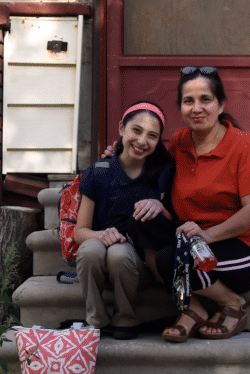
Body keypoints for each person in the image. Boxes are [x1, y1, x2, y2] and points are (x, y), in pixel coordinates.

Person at [155, 66, 250, 342]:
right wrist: (118, 156)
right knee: (140, 222)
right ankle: (194, 307)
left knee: (171, 258)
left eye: (205, 100)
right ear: (180, 108)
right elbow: (148, 169)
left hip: (240, 247)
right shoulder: (179, 142)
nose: (197, 108)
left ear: (220, 105)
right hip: (192, 240)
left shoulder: (244, 145)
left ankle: (232, 303)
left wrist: (208, 235)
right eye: (188, 101)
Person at [75, 101, 175, 340]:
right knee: (90, 248)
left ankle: (126, 317)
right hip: (99, 258)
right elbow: (80, 231)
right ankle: (96, 318)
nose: (142, 141)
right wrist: (99, 235)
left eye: (152, 136)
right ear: (121, 128)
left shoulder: (163, 172)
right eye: (136, 130)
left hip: (137, 264)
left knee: (119, 253)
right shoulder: (98, 172)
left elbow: (174, 222)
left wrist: (160, 206)